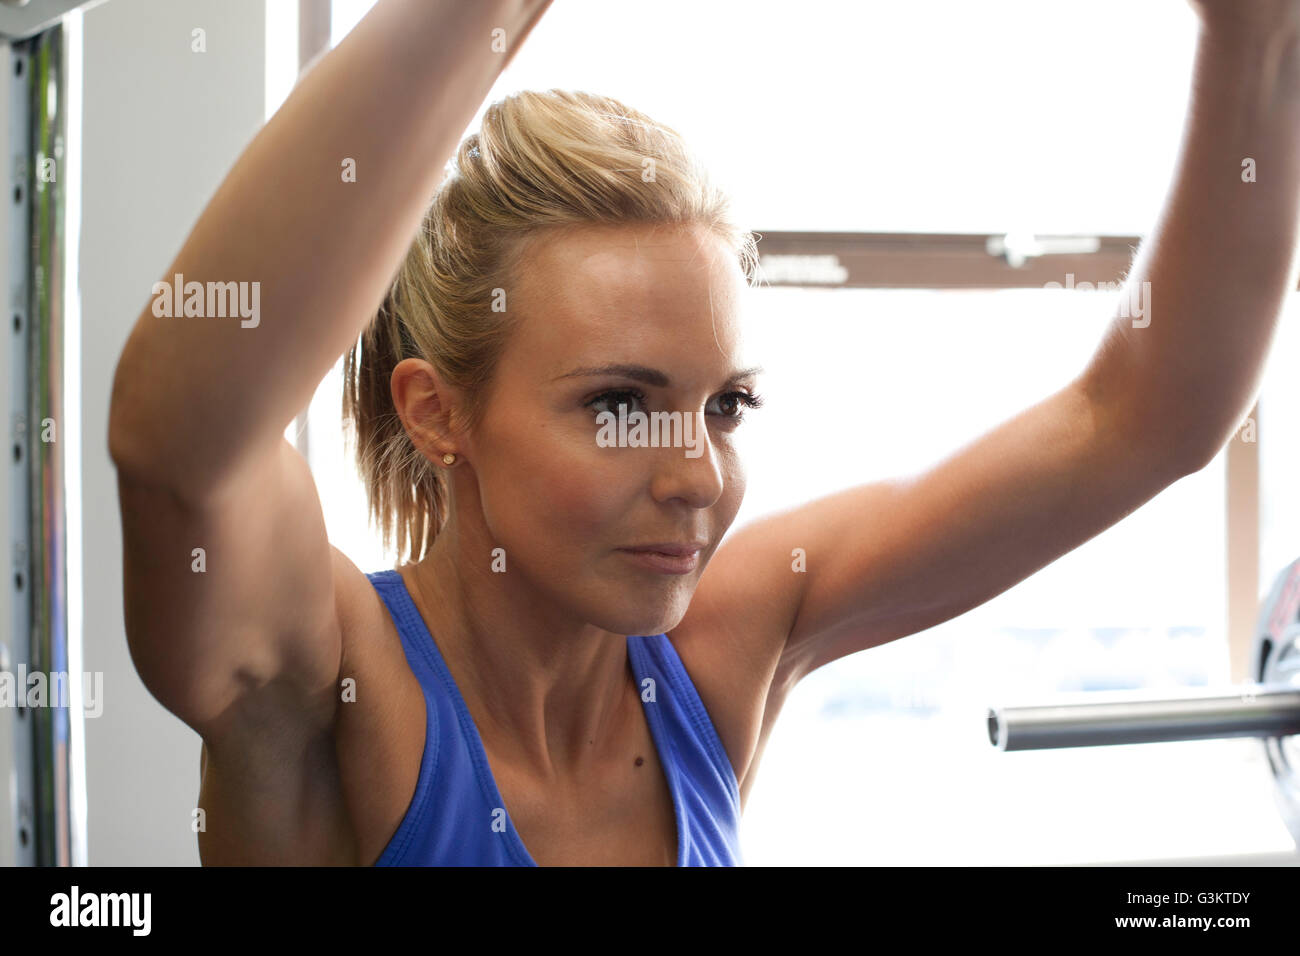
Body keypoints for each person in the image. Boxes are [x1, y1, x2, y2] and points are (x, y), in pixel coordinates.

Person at [108, 0, 1300, 865]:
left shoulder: (718, 644)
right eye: (618, 404)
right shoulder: (336, 679)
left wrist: (1251, 38)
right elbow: (178, 446)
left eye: (725, 403)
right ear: (438, 411)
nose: (696, 476)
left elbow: (1141, 420)